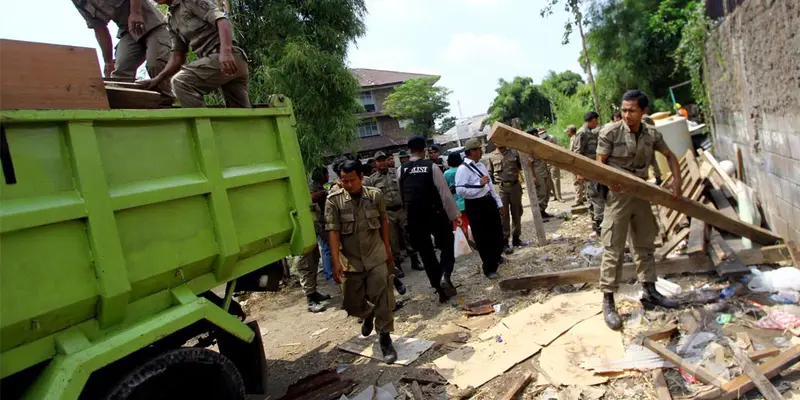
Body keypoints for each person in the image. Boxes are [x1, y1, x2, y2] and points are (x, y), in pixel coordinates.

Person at [596, 90, 682, 330]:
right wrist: (607, 181)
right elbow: (598, 164)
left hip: (642, 194)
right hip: (618, 197)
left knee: (644, 244)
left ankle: (650, 291)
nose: (626, 115)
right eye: (624, 110)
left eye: (631, 110)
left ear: (643, 111)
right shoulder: (610, 132)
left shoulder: (652, 133)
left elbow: (670, 155)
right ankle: (608, 301)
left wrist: (677, 182)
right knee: (613, 247)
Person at [326, 160, 398, 363]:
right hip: (350, 261)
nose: (347, 184)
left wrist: (387, 248)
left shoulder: (375, 195)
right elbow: (333, 230)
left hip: (375, 255)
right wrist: (335, 261)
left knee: (383, 297)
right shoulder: (334, 200)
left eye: (351, 180)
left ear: (361, 178)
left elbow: (383, 221)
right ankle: (367, 314)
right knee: (351, 304)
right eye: (343, 180)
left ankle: (385, 339)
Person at [143, 0, 250, 108]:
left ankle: (201, 124)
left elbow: (222, 21)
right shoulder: (170, 20)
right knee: (239, 111)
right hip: (213, 62)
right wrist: (158, 79)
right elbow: (177, 56)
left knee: (181, 82)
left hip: (228, 56)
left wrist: (226, 52)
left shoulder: (191, 2)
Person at [399, 137, 462, 303]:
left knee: (426, 255)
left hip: (414, 218)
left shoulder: (401, 170)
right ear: (424, 149)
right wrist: (455, 215)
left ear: (409, 150)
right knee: (448, 244)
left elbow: (402, 195)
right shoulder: (431, 167)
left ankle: (440, 291)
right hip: (435, 214)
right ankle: (445, 273)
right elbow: (445, 194)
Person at [72, 0, 173, 101]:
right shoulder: (79, 2)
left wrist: (136, 12)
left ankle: (166, 103)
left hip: (154, 23)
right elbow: (99, 28)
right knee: (120, 74)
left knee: (155, 63)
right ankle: (124, 106)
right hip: (128, 31)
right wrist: (108, 63)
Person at [456, 138, 505, 279]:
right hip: (475, 205)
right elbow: (460, 190)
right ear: (472, 151)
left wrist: (498, 203)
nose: (482, 151)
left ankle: (496, 257)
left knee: (496, 232)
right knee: (483, 237)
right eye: (479, 149)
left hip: (488, 201)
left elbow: (489, 187)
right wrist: (479, 184)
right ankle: (488, 267)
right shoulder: (462, 169)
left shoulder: (481, 165)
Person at [364, 151, 414, 286]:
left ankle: (415, 260)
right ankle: (398, 266)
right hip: (387, 213)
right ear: (375, 163)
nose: (381, 163)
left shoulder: (396, 172)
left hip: (401, 209)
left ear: (387, 160)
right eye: (378, 161)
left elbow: (403, 188)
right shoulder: (372, 179)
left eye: (383, 160)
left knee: (408, 235)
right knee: (393, 240)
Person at [296, 169, 333, 313]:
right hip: (304, 234)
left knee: (313, 261)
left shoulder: (316, 188)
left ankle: (314, 293)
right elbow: (310, 200)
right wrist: (323, 194)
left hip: (314, 231)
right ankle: (310, 300)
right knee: (305, 265)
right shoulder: (310, 191)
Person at [487, 143, 526, 254]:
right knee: (503, 215)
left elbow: (521, 166)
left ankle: (516, 238)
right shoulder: (492, 156)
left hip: (515, 187)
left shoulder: (514, 153)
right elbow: (489, 173)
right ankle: (505, 241)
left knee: (517, 212)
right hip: (501, 188)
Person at [573, 111, 605, 236]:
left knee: (593, 198)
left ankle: (596, 226)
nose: (597, 123)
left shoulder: (589, 132)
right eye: (596, 121)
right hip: (589, 172)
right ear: (591, 120)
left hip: (593, 171)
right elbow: (577, 153)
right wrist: (579, 172)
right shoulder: (582, 133)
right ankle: (600, 227)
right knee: (597, 198)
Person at [526, 128, 553, 219]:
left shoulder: (539, 144)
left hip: (545, 170)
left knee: (547, 191)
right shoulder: (529, 148)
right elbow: (529, 164)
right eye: (537, 133)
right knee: (541, 193)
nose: (538, 135)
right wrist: (533, 177)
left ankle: (543, 210)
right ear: (534, 134)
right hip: (537, 173)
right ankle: (539, 215)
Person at [443, 152, 469, 232]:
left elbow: (445, 189)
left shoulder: (446, 174)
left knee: (459, 228)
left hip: (455, 204)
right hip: (467, 201)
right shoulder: (464, 170)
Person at [537, 129, 563, 202]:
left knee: (555, 179)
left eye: (543, 132)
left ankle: (559, 197)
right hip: (545, 162)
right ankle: (555, 196)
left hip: (553, 161)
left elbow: (558, 148)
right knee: (549, 180)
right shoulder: (539, 140)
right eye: (540, 133)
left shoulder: (552, 138)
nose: (542, 134)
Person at [566, 125, 585, 206]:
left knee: (577, 182)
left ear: (571, 131)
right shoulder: (574, 138)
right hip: (576, 162)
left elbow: (575, 152)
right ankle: (582, 197)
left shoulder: (574, 139)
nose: (567, 133)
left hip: (575, 163)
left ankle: (578, 200)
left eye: (567, 131)